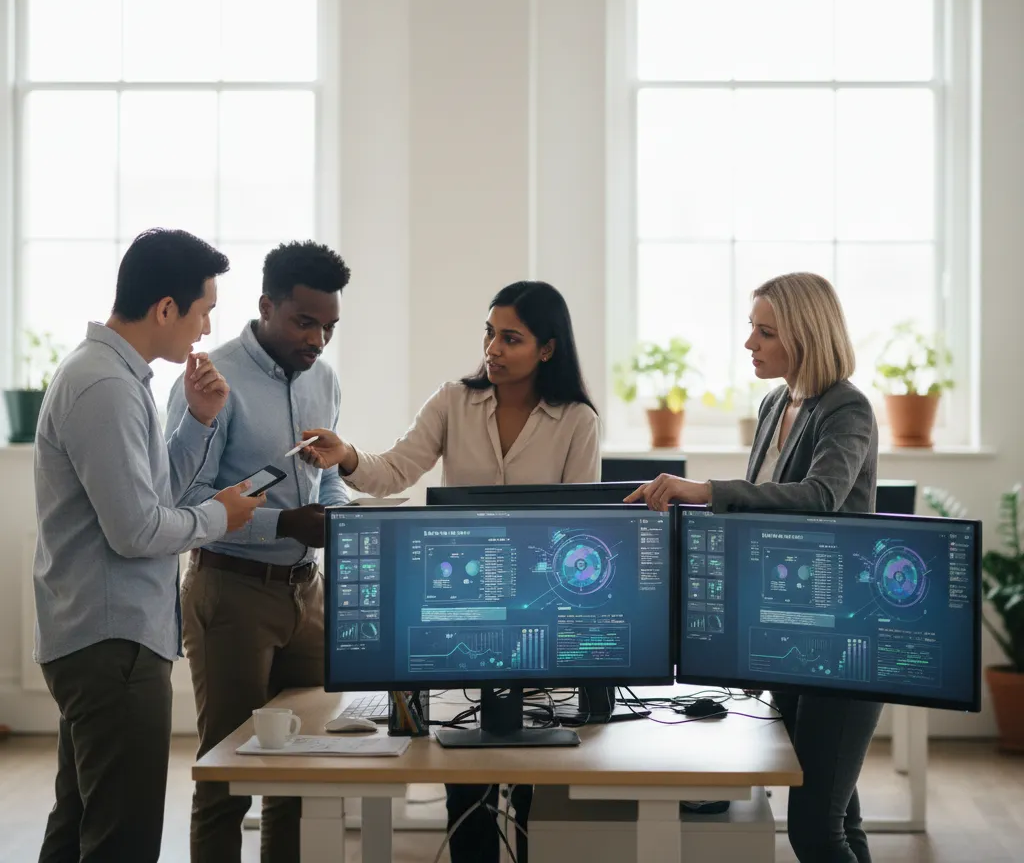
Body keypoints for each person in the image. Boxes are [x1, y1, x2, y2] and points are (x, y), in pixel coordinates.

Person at [301, 280, 600, 863]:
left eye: (510, 338)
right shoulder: (453, 401)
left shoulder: (576, 420)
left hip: (539, 612)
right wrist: (349, 457)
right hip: (464, 604)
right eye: (489, 332)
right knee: (467, 775)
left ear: (547, 349)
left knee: (537, 771)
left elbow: (581, 527)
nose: (492, 347)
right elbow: (396, 468)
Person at [627, 272, 880, 863]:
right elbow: (762, 520)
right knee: (836, 815)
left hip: (841, 636)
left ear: (805, 335)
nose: (750, 344)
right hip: (792, 628)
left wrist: (704, 490)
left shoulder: (847, 407)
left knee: (814, 830)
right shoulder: (775, 403)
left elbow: (820, 496)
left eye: (765, 332)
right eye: (751, 329)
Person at [33, 229, 266, 863]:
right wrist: (220, 516)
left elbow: (153, 493)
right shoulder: (104, 386)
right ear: (166, 308)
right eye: (203, 310)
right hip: (114, 645)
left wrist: (197, 418)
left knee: (81, 822)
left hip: (105, 638)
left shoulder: (113, 376)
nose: (207, 326)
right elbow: (137, 530)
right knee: (122, 837)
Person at [167, 240, 352, 863]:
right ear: (266, 305)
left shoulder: (324, 378)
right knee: (227, 776)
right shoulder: (210, 380)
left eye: (328, 326)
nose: (318, 340)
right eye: (305, 322)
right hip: (231, 593)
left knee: (301, 773)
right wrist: (287, 524)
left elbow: (325, 479)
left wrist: (345, 515)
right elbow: (187, 502)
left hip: (309, 593)